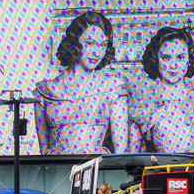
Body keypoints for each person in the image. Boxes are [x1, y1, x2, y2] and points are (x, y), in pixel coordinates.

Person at [34, 10, 129, 155]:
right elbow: (44, 153)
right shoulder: (45, 90)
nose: (97, 52)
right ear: (75, 43)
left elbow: (121, 153)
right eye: (90, 43)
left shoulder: (113, 88)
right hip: (55, 173)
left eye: (102, 45)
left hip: (98, 171)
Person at [129, 26, 194, 153]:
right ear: (156, 60)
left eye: (180, 57)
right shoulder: (142, 101)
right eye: (166, 58)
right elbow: (132, 153)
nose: (173, 65)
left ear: (189, 59)